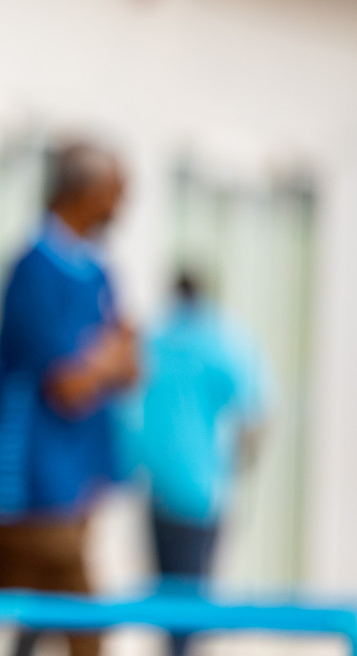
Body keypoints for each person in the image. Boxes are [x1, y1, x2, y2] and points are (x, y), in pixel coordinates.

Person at [0, 143, 140, 656]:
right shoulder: (34, 269)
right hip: (32, 485)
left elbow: (129, 365)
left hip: (75, 486)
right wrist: (108, 357)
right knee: (86, 634)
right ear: (85, 193)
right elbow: (70, 386)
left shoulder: (97, 271)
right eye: (114, 195)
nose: (120, 209)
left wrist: (104, 359)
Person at [131, 270, 267, 656]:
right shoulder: (220, 344)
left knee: (168, 597)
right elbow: (257, 412)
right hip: (202, 491)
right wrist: (239, 460)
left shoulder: (152, 341)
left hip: (157, 487)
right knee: (191, 605)